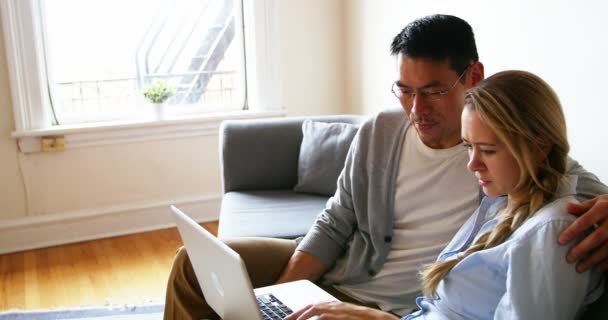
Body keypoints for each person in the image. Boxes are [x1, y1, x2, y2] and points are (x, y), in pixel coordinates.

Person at [163, 14, 608, 319]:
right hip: (346, 274)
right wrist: (282, 296)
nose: (417, 109)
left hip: (404, 309)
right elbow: (337, 220)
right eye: (404, 90)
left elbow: (567, 183)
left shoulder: (506, 151)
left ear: (473, 76)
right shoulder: (381, 132)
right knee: (191, 267)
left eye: (432, 91)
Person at [287, 70, 605, 319]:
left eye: (488, 150)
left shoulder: (552, 231)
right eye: (469, 147)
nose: (472, 164)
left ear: (539, 148)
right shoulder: (499, 202)